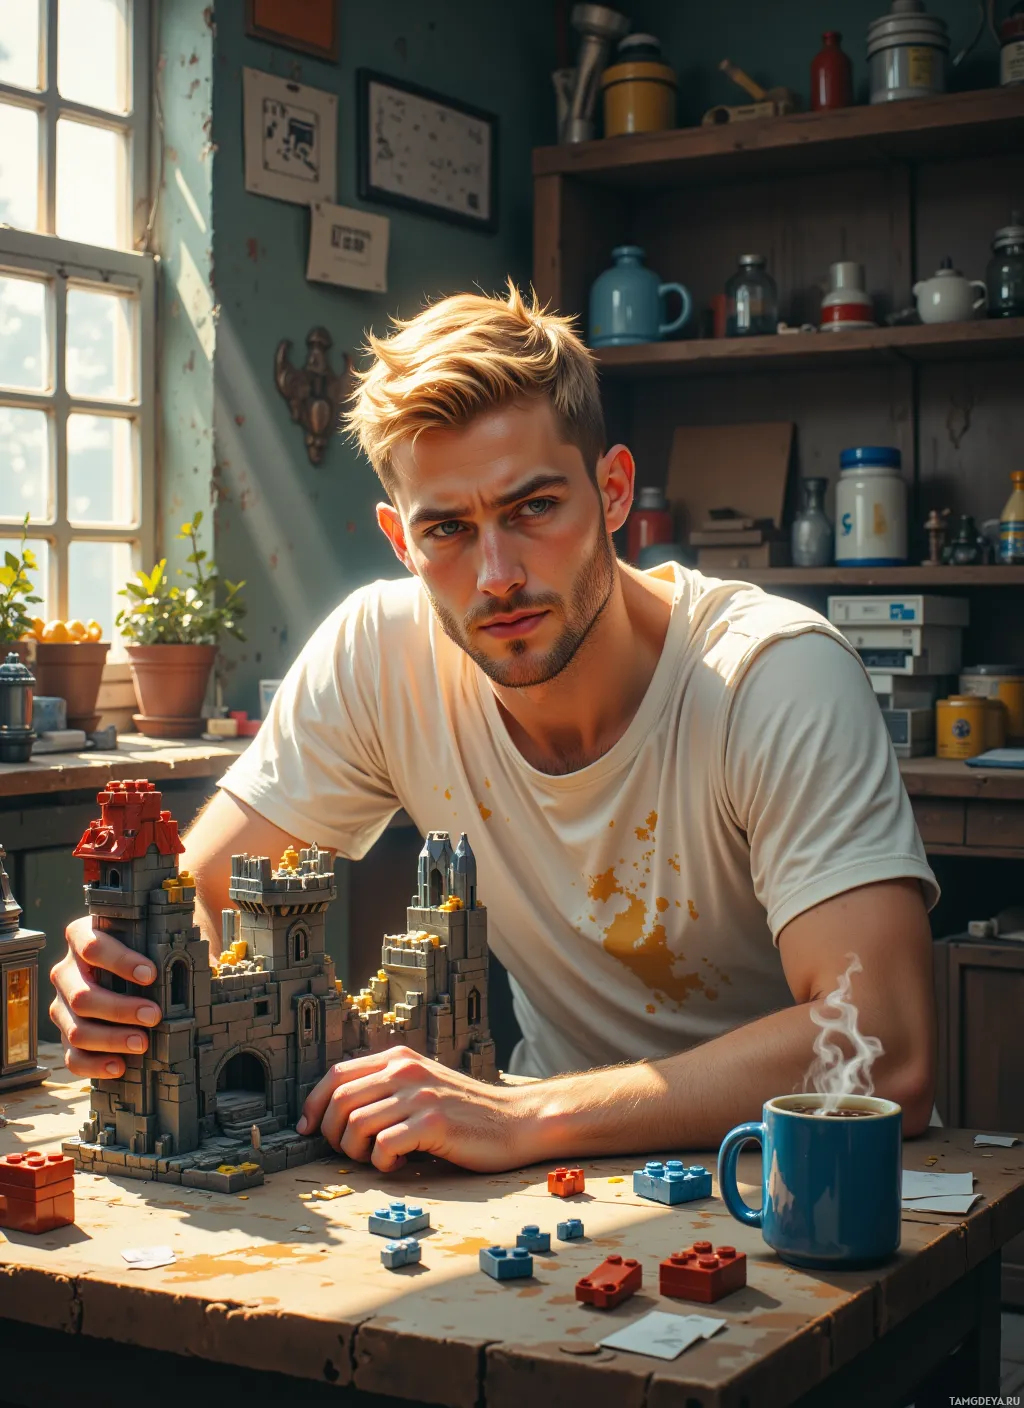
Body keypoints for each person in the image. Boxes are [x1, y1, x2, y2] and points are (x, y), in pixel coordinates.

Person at [50, 285, 938, 1173]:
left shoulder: (773, 677)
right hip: (541, 1174)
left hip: (781, 1169)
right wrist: (123, 990)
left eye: (534, 508)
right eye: (449, 530)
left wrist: (525, 1117)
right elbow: (199, 893)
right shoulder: (378, 653)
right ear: (402, 542)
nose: (498, 575)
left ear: (614, 490)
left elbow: (884, 1050)